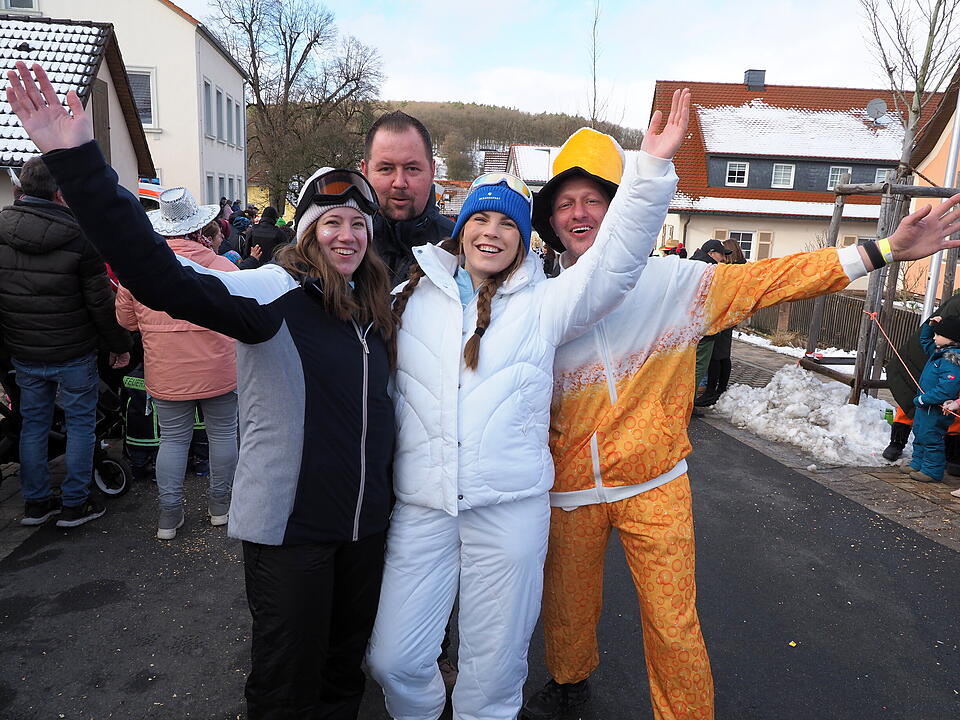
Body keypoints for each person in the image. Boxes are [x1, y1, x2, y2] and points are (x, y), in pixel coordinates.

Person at [520, 123, 960, 720]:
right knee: (568, 606)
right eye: (565, 203)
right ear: (549, 219)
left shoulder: (677, 286)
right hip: (570, 489)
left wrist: (883, 250)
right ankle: (569, 682)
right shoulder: (541, 305)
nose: (579, 214)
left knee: (674, 622)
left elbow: (772, 278)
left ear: (623, 207)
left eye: (595, 200)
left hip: (656, 484)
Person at [6, 62, 396, 718]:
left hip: (364, 530)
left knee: (342, 673)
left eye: (358, 224)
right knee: (285, 686)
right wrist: (79, 162)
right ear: (306, 234)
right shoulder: (270, 292)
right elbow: (162, 279)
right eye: (330, 222)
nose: (346, 235)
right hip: (291, 535)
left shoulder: (377, 309)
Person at [365, 91, 689, 720]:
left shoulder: (545, 305)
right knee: (395, 660)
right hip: (424, 508)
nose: (492, 233)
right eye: (482, 221)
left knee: (492, 675)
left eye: (509, 223)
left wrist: (648, 172)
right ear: (461, 231)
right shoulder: (410, 297)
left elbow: (616, 266)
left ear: (522, 238)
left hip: (507, 513)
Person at [0, 155, 131, 527]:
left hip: (23, 352)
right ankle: (75, 503)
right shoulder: (79, 236)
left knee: (33, 424)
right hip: (74, 351)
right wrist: (119, 345)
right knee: (80, 425)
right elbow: (100, 304)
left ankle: (36, 503)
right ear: (60, 194)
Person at [115, 191, 240, 539]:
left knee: (172, 441)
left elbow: (125, 321)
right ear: (199, 228)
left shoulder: (139, 271)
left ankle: (169, 518)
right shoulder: (223, 267)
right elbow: (243, 315)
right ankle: (221, 506)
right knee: (223, 435)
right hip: (219, 368)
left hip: (167, 371)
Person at [360, 110, 455, 285]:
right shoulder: (339, 244)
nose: (400, 182)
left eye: (412, 169)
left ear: (432, 170)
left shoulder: (459, 247)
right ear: (365, 171)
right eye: (386, 169)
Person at [897, 315, 960, 483]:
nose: (934, 337)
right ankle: (918, 463)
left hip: (935, 407)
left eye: (938, 334)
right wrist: (930, 325)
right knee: (919, 434)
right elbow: (924, 340)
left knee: (931, 437)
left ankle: (932, 470)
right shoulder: (939, 352)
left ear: (951, 338)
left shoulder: (951, 360)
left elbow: (947, 389)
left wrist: (924, 399)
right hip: (926, 406)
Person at [696, 239, 747, 408]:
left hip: (721, 316)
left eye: (726, 254)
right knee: (721, 355)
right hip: (725, 316)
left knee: (717, 356)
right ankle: (716, 390)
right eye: (722, 255)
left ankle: (713, 391)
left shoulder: (731, 271)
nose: (724, 258)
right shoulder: (734, 269)